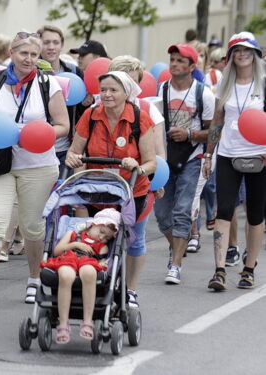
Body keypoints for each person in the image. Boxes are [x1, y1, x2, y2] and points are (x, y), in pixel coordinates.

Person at [0, 32, 70, 307]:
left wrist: (36, 134)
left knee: (32, 226)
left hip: (38, 165)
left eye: (34, 54)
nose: (29, 59)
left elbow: (63, 125)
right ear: (11, 52)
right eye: (23, 53)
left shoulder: (48, 84)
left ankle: (33, 279)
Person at [65, 72, 158, 304]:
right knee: (96, 237)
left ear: (126, 93)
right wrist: (73, 159)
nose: (106, 95)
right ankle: (96, 282)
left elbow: (151, 162)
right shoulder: (91, 115)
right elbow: (74, 151)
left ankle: (131, 289)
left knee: (132, 241)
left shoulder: (139, 117)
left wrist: (137, 165)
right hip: (97, 186)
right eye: (103, 89)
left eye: (113, 90)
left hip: (130, 189)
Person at [203, 32, 266, 291]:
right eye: (237, 51)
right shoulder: (225, 86)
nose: (242, 55)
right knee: (224, 209)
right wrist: (208, 154)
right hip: (228, 154)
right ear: (230, 57)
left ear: (255, 54)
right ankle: (219, 270)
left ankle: (249, 268)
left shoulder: (263, 84)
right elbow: (217, 121)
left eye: (247, 50)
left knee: (255, 214)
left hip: (259, 155)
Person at [107, 55, 166, 307]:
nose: (128, 86)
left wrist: (157, 180)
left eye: (133, 80)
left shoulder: (147, 109)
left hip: (137, 182)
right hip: (104, 182)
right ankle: (104, 282)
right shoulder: (97, 109)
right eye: (122, 80)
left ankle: (130, 289)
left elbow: (159, 151)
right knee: (103, 234)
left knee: (135, 237)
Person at [154, 44, 214, 285]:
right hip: (166, 158)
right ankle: (175, 247)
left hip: (192, 157)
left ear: (192, 67)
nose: (175, 64)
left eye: (180, 61)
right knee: (161, 214)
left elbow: (213, 131)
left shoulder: (203, 94)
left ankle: (175, 264)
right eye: (172, 59)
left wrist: (189, 134)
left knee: (182, 211)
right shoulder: (162, 89)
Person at [42, 208, 120, 343]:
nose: (102, 237)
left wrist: (102, 264)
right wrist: (75, 244)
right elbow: (57, 251)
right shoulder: (72, 234)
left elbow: (102, 261)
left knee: (90, 273)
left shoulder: (102, 246)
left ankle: (88, 321)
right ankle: (63, 324)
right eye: (101, 232)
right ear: (93, 224)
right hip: (67, 260)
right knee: (66, 276)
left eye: (107, 237)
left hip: (88, 262)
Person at [38, 25, 88, 174]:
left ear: (62, 45)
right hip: (37, 146)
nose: (51, 47)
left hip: (65, 148)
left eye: (55, 42)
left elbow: (82, 110)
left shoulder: (74, 72)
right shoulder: (29, 71)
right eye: (46, 43)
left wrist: (87, 102)